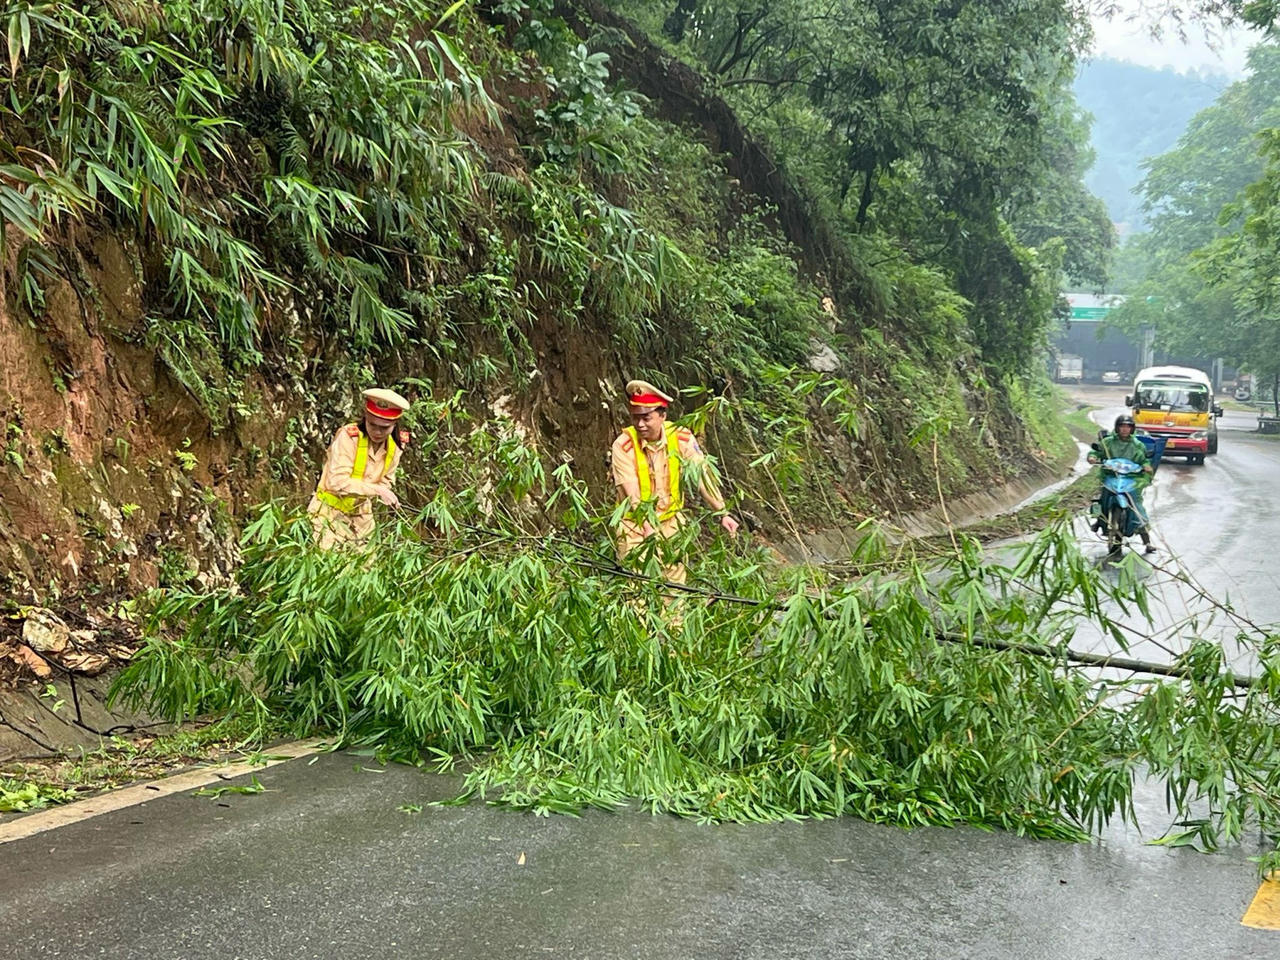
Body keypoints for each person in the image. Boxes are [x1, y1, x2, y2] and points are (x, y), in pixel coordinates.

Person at [610, 379, 739, 583]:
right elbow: (631, 492)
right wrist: (647, 526)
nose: (640, 424)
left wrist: (722, 512)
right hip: (634, 526)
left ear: (662, 416)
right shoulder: (623, 445)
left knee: (675, 587)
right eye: (635, 417)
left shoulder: (681, 438)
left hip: (671, 524)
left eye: (646, 418)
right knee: (638, 589)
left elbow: (701, 477)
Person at [308, 388, 411, 549]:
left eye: (384, 428)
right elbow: (337, 482)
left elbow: (387, 481)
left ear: (394, 425)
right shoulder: (349, 437)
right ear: (365, 418)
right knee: (331, 559)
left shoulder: (396, 445)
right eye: (372, 425)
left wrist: (385, 493)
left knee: (368, 561)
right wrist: (377, 490)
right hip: (329, 512)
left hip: (362, 516)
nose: (377, 432)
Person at [1087, 413, 1155, 554]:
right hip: (1111, 476)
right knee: (1102, 498)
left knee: (1137, 505)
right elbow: (1096, 452)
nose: (1125, 429)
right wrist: (1093, 457)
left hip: (1131, 479)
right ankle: (1100, 520)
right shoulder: (1108, 442)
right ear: (1117, 428)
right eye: (1122, 426)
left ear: (1132, 428)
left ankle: (1146, 540)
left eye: (1128, 427)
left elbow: (1144, 460)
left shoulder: (1138, 445)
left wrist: (1146, 466)